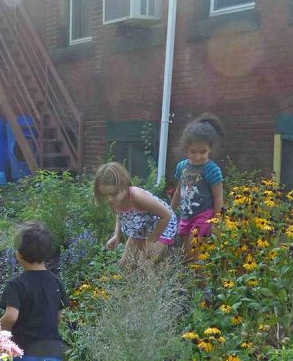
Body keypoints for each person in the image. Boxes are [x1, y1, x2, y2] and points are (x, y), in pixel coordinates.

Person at [0, 222, 69, 361]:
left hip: (21, 351)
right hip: (50, 352)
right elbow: (59, 317)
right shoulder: (56, 282)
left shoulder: (16, 284)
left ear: (19, 254)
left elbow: (11, 316)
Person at [94, 161, 177, 270]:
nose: (109, 199)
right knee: (125, 266)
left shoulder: (137, 197)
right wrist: (116, 235)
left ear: (124, 185)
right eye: (105, 195)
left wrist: (152, 239)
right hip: (141, 226)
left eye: (113, 194)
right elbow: (121, 215)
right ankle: (129, 286)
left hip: (161, 225)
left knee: (144, 264)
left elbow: (166, 215)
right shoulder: (114, 200)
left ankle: (153, 286)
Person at [169, 114, 226, 260]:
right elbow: (178, 192)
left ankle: (202, 282)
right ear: (186, 148)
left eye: (202, 152)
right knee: (183, 255)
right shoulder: (182, 167)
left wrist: (217, 222)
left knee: (193, 254)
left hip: (203, 217)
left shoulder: (212, 170)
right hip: (186, 215)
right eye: (193, 152)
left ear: (210, 148)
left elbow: (218, 198)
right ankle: (191, 281)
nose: (197, 156)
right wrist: (169, 212)